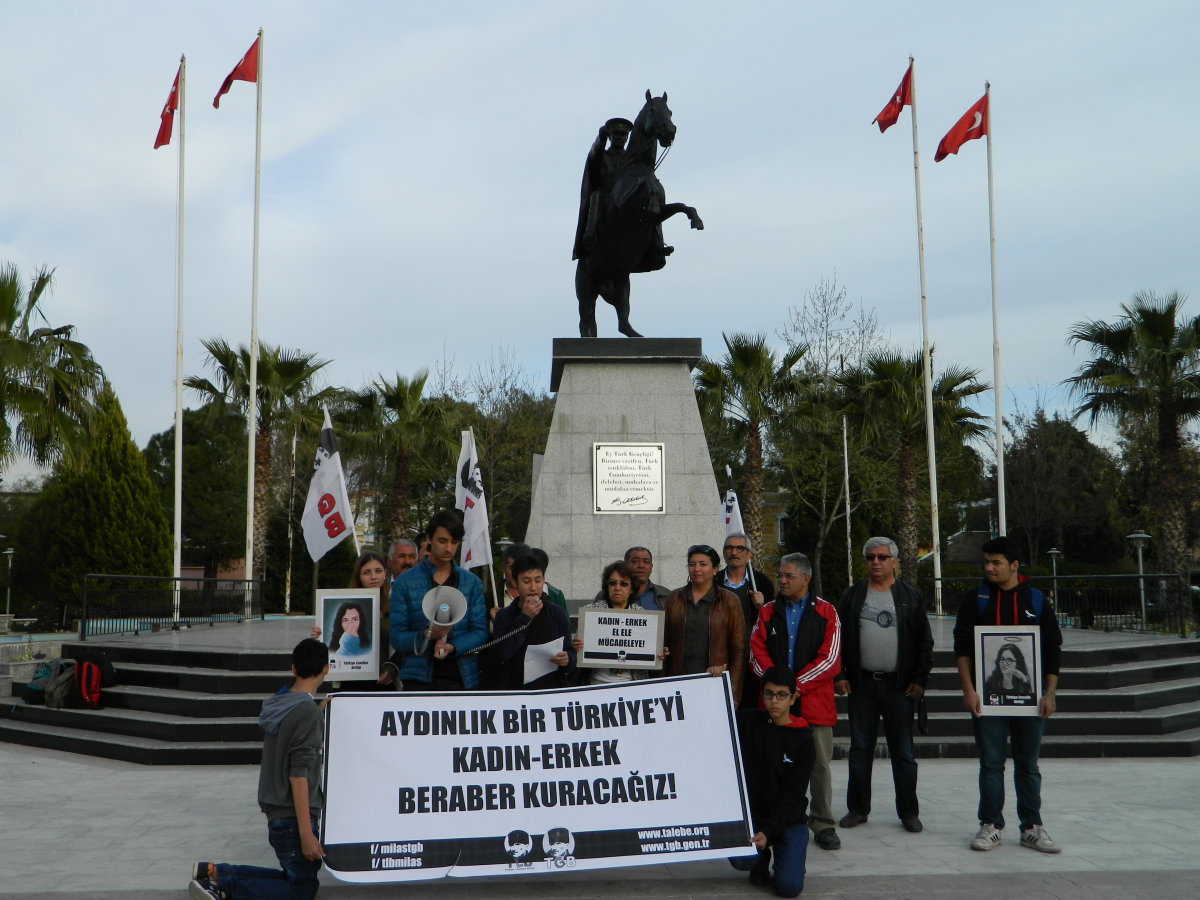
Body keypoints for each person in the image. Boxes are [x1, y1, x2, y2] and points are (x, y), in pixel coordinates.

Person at [189, 638, 328, 900]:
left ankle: (216, 872)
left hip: (276, 811)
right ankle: (221, 888)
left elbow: (294, 730)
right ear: (326, 669)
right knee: (302, 890)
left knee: (295, 877)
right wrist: (306, 833)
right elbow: (298, 775)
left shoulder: (280, 701)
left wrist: (317, 712)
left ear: (293, 669)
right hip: (292, 815)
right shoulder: (306, 712)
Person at [953, 535, 1063, 854]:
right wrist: (969, 689)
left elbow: (1052, 649)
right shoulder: (976, 600)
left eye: (996, 562)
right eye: (986, 562)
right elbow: (962, 649)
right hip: (988, 700)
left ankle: (1031, 826)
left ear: (1015, 566)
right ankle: (990, 824)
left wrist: (1050, 693)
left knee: (1028, 764)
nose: (988, 568)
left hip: (1030, 700)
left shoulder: (1036, 601)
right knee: (991, 763)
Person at [834, 536, 933, 834]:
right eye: (870, 557)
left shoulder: (909, 597)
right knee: (860, 749)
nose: (876, 562)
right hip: (862, 685)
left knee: (903, 752)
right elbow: (838, 640)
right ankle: (858, 809)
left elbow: (924, 643)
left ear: (894, 561)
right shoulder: (852, 596)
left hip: (899, 688)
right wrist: (840, 675)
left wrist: (919, 680)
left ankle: (909, 812)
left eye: (882, 557)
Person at [750, 552, 842, 851]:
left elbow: (830, 658)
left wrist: (795, 687)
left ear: (806, 578)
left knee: (818, 764)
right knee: (767, 760)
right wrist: (779, 688)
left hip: (813, 700)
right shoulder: (767, 612)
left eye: (789, 576)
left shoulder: (827, 612)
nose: (782, 581)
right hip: (776, 703)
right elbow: (755, 652)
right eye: (780, 575)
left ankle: (824, 824)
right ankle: (768, 818)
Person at [729, 665, 815, 898]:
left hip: (789, 820)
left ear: (793, 697)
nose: (774, 701)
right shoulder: (748, 721)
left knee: (789, 887)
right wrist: (713, 677)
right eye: (768, 694)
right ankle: (760, 859)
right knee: (741, 859)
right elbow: (713, 714)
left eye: (781, 695)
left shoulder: (804, 740)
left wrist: (769, 832)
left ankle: (785, 854)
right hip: (755, 817)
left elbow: (792, 795)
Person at [390, 510, 488, 691]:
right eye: (442, 541)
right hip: (418, 680)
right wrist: (427, 636)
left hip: (462, 678)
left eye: (454, 542)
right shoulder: (405, 582)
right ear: (429, 539)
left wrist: (453, 646)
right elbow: (397, 637)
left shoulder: (471, 583)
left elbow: (480, 632)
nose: (449, 548)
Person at [662, 544, 745, 702]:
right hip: (677, 683)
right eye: (692, 564)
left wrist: (733, 693)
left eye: (703, 564)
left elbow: (738, 650)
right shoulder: (674, 598)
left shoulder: (729, 601)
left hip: (713, 682)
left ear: (715, 569)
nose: (696, 569)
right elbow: (663, 643)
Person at [492, 551, 576, 689]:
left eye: (538, 580)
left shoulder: (556, 613)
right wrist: (524, 617)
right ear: (514, 582)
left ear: (544, 580)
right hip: (515, 690)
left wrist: (568, 659)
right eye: (526, 581)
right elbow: (503, 654)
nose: (533, 587)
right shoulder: (504, 616)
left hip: (550, 689)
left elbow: (569, 650)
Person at [719, 531, 776, 708]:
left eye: (739, 548)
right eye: (729, 548)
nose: (734, 552)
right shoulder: (714, 582)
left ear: (749, 554)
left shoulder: (761, 582)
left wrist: (762, 605)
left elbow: (773, 622)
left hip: (752, 656)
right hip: (722, 656)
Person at [574, 560, 652, 684]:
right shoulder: (591, 613)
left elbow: (647, 651)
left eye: (624, 584)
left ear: (632, 588)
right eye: (612, 583)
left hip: (633, 685)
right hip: (596, 683)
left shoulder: (642, 615)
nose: (617, 588)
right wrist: (576, 646)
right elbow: (577, 652)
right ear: (607, 586)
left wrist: (657, 652)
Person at [622, 546, 670, 611]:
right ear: (625, 565)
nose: (641, 565)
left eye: (646, 562)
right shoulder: (606, 595)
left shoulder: (667, 596)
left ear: (651, 567)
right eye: (635, 561)